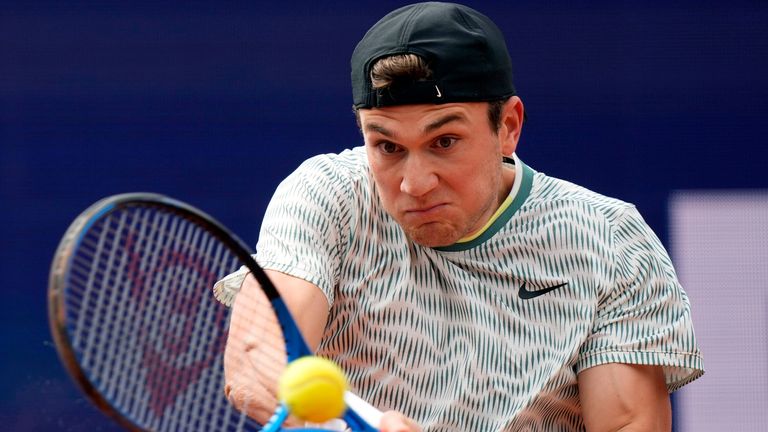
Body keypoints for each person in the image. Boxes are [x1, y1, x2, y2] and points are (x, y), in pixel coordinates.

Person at [217, 2, 704, 431]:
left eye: (444, 142)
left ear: (508, 127)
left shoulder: (609, 240)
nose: (415, 182)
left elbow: (625, 425)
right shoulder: (328, 195)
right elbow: (260, 357)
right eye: (386, 146)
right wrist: (356, 426)